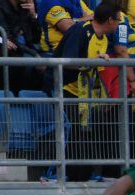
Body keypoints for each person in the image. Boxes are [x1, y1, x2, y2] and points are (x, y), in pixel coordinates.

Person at [49, 1, 121, 181]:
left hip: (87, 95)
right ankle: (69, 175)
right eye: (118, 20)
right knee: (76, 132)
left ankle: (95, 173)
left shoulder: (103, 39)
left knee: (100, 128)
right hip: (66, 90)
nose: (120, 24)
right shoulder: (80, 31)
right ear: (110, 20)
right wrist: (93, 61)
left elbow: (95, 73)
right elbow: (69, 61)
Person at [0, 0, 42, 92]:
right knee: (28, 64)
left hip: (29, 49)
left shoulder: (26, 8)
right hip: (10, 50)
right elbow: (9, 39)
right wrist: (34, 54)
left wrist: (33, 16)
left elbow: (36, 38)